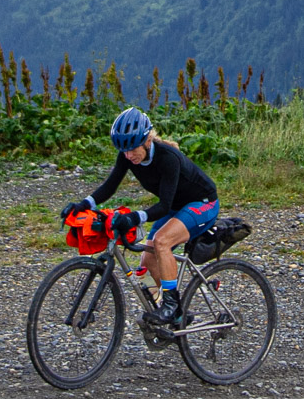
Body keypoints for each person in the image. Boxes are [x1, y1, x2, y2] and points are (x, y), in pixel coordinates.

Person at [61, 107, 220, 328]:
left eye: (132, 149)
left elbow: (163, 206)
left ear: (147, 140)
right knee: (145, 262)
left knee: (162, 242)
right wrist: (83, 204)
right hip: (176, 207)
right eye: (123, 151)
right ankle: (176, 314)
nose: (128, 156)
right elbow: (109, 187)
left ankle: (171, 305)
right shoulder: (127, 156)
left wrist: (135, 217)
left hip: (203, 203)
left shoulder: (168, 158)